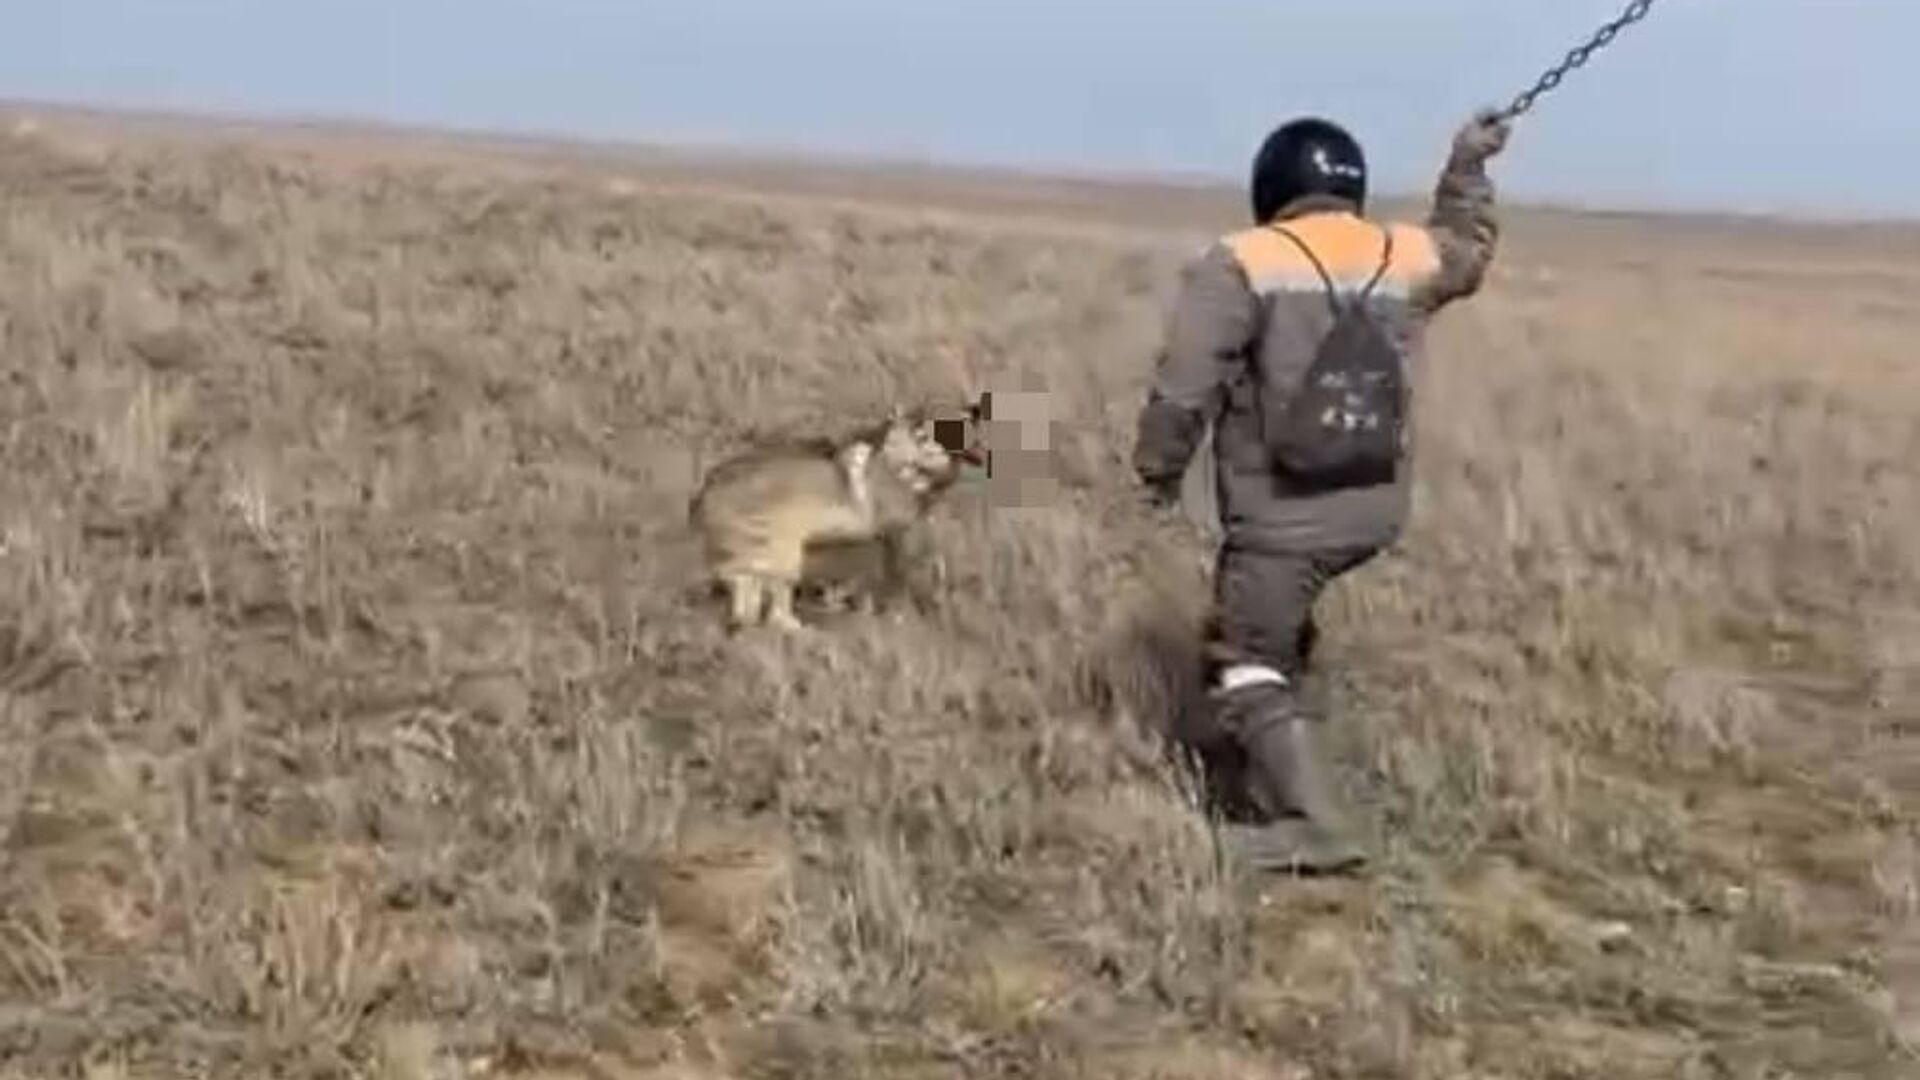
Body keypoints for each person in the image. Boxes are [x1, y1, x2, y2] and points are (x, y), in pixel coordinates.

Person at [1131, 108, 1511, 875]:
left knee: (1242, 654)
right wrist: (1467, 165)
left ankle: (1312, 825)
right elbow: (1467, 250)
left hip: (1282, 514)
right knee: (1279, 630)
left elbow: (1184, 387)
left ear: (1270, 185)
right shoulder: (1404, 252)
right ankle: (1275, 759)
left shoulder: (1243, 259)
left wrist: (1156, 472)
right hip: (1374, 507)